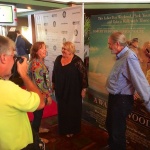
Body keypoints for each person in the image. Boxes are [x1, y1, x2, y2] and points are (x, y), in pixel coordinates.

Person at [0, 35, 51, 149]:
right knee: (37, 118)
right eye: (13, 57)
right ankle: (37, 137)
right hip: (19, 145)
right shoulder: (8, 89)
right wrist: (23, 74)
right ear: (3, 58)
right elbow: (40, 103)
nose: (14, 61)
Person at [105, 32, 150, 150]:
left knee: (117, 131)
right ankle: (112, 146)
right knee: (110, 125)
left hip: (121, 100)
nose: (108, 46)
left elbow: (141, 83)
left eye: (110, 44)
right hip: (115, 98)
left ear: (117, 44)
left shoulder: (129, 57)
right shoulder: (121, 56)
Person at [52, 41, 88, 137]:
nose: (63, 50)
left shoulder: (77, 61)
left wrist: (84, 89)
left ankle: (72, 129)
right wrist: (53, 83)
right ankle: (63, 128)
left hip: (73, 91)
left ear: (71, 51)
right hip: (60, 89)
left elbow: (83, 76)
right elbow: (54, 72)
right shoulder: (58, 59)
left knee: (72, 110)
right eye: (62, 48)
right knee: (62, 109)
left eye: (65, 49)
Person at [28, 41, 52, 143]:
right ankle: (35, 138)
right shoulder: (37, 64)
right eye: (42, 48)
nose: (45, 50)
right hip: (38, 95)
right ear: (37, 52)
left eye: (45, 48)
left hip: (36, 94)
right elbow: (40, 83)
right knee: (38, 116)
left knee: (38, 115)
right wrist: (48, 96)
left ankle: (37, 130)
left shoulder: (37, 61)